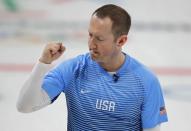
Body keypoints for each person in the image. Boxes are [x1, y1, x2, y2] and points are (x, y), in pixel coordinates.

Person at [17, 4, 168, 131]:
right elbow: (24, 106)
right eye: (90, 35)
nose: (91, 44)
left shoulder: (146, 82)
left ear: (121, 41)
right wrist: (43, 63)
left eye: (99, 38)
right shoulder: (73, 69)